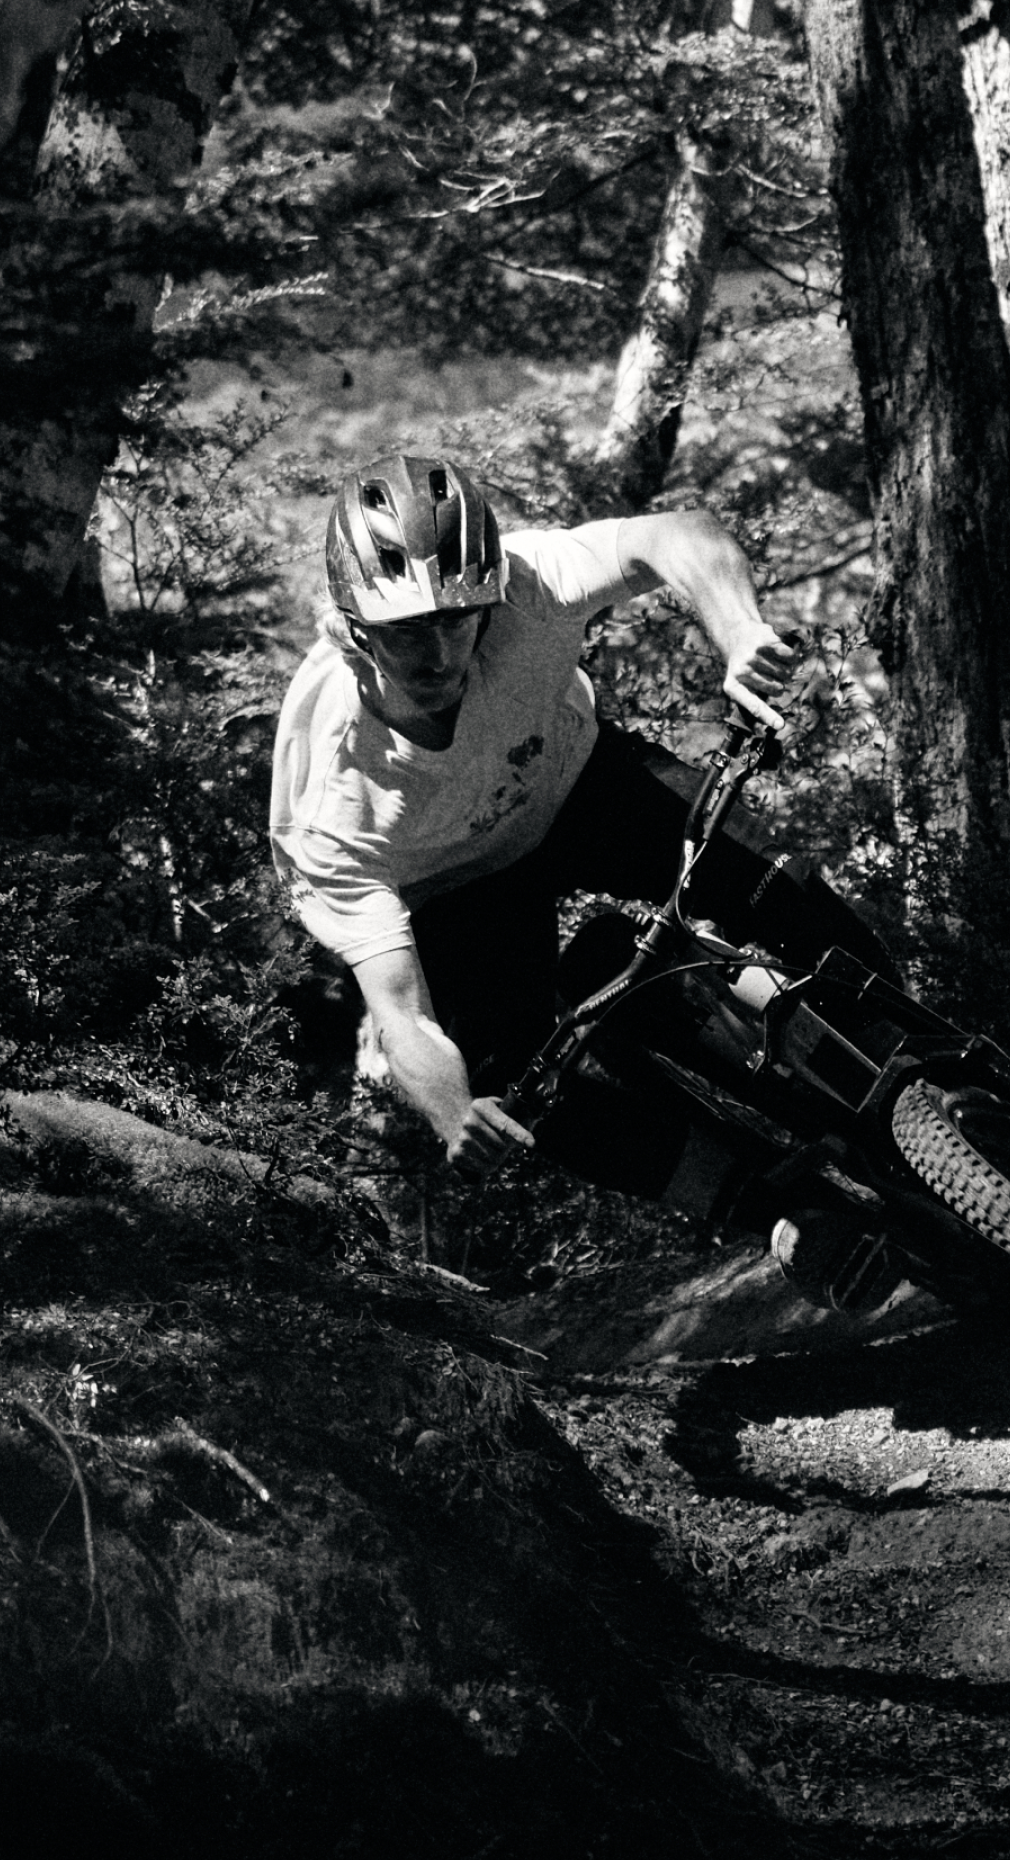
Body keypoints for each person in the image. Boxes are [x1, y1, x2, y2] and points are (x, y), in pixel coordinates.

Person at [266, 451, 899, 1301]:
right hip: (451, 891)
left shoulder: (524, 588)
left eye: (458, 619)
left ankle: (921, 1084)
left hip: (574, 783)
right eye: (406, 630)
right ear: (350, 627)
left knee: (775, 888)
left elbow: (675, 535)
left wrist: (740, 631)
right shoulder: (328, 804)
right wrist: (455, 1113)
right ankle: (780, 1212)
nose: (441, 651)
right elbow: (402, 1013)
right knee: (520, 1093)